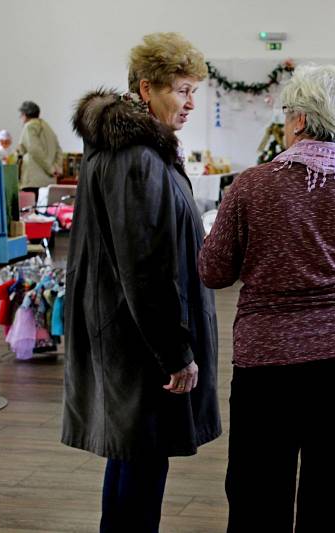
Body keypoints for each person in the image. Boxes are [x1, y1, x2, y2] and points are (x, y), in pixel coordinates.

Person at [198, 64, 335, 532]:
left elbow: (213, 271)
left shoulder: (251, 186)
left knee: (259, 491)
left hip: (267, 360)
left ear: (299, 120)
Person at [63, 32, 221, 533]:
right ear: (147, 87)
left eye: (196, 90)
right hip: (139, 341)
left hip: (129, 333)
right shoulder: (134, 156)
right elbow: (144, 265)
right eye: (182, 89)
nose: (191, 102)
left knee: (134, 459)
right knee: (141, 461)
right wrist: (175, 352)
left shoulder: (129, 147)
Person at [15, 100, 64, 197]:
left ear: (25, 114)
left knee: (32, 210)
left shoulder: (29, 126)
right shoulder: (47, 127)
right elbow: (59, 150)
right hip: (49, 181)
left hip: (33, 180)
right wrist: (57, 168)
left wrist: (50, 168)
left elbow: (34, 149)